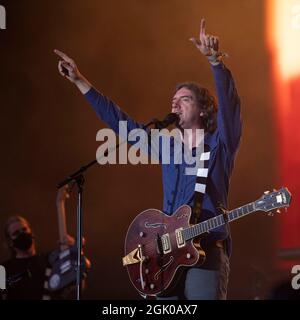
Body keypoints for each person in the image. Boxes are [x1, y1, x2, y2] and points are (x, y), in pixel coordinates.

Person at [54, 18, 242, 300]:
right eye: (173, 100)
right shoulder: (168, 147)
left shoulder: (220, 145)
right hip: (166, 255)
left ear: (204, 110)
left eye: (185, 99)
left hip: (206, 252)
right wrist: (80, 81)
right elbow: (122, 124)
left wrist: (216, 64)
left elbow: (230, 110)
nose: (175, 103)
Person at [0, 186, 90, 300]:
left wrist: (74, 255)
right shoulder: (3, 270)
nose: (22, 234)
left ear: (31, 232)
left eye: (24, 230)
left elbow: (77, 288)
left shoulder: (50, 260)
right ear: (9, 242)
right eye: (16, 233)